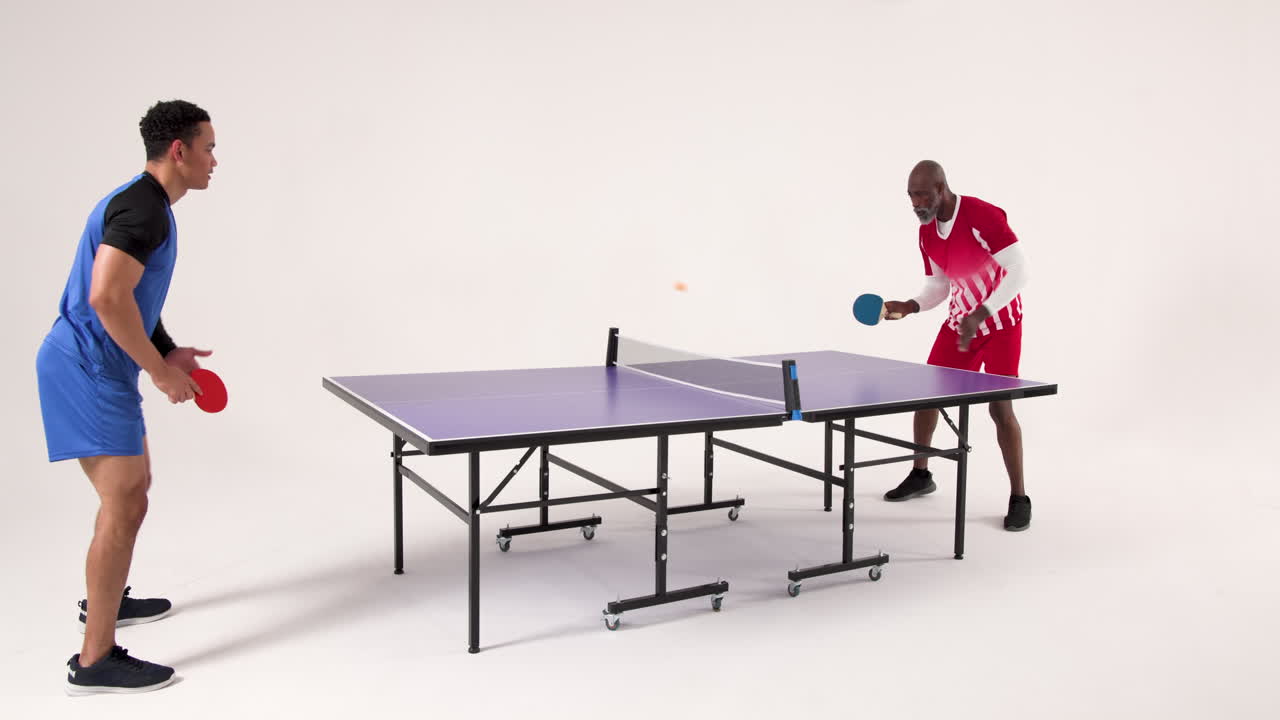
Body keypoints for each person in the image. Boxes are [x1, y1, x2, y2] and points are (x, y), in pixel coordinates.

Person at [36, 99, 217, 694]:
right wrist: (161, 375)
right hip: (87, 368)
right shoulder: (144, 209)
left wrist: (164, 351)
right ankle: (95, 661)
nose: (215, 160)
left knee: (132, 495)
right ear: (179, 151)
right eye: (209, 147)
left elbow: (136, 300)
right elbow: (107, 297)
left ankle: (105, 602)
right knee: (126, 502)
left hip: (103, 366)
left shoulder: (147, 202)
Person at [882, 160, 1033, 531]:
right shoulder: (927, 234)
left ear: (941, 189)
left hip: (999, 325)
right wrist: (911, 305)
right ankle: (921, 473)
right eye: (911, 196)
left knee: (1001, 411)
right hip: (959, 325)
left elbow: (1020, 270)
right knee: (927, 396)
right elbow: (939, 286)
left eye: (923, 194)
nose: (917, 202)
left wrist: (982, 313)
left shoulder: (982, 215)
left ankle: (1019, 497)